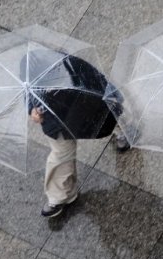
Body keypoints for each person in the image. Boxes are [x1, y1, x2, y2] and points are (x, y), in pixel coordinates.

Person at [22, 50, 118, 217]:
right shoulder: (30, 67)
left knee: (107, 116)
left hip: (84, 105)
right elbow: (27, 92)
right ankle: (60, 196)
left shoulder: (70, 65)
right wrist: (32, 110)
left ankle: (125, 129)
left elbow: (98, 86)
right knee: (60, 154)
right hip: (56, 122)